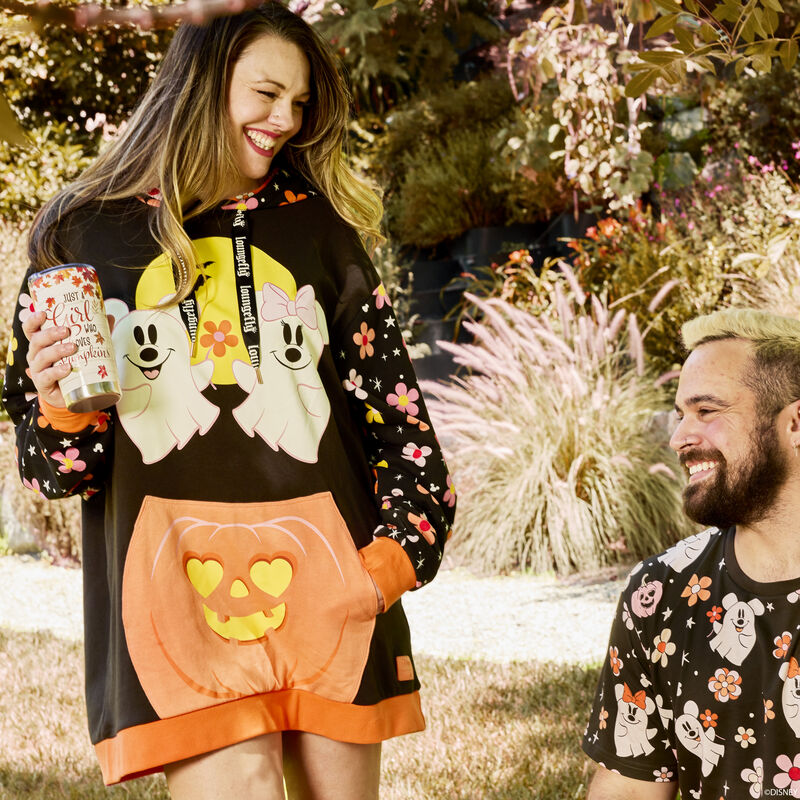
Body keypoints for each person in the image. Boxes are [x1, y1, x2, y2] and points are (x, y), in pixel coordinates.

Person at [2, 4, 455, 798]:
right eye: (267, 93)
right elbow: (58, 474)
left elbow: (404, 433)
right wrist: (59, 407)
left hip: (327, 581)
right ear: (203, 86)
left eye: (301, 103)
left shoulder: (321, 234)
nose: (285, 119)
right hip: (175, 591)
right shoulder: (82, 238)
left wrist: (376, 574)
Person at [583, 308, 800, 800]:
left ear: (795, 423)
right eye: (680, 414)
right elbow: (631, 788)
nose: (680, 438)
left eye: (707, 411)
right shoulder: (660, 593)